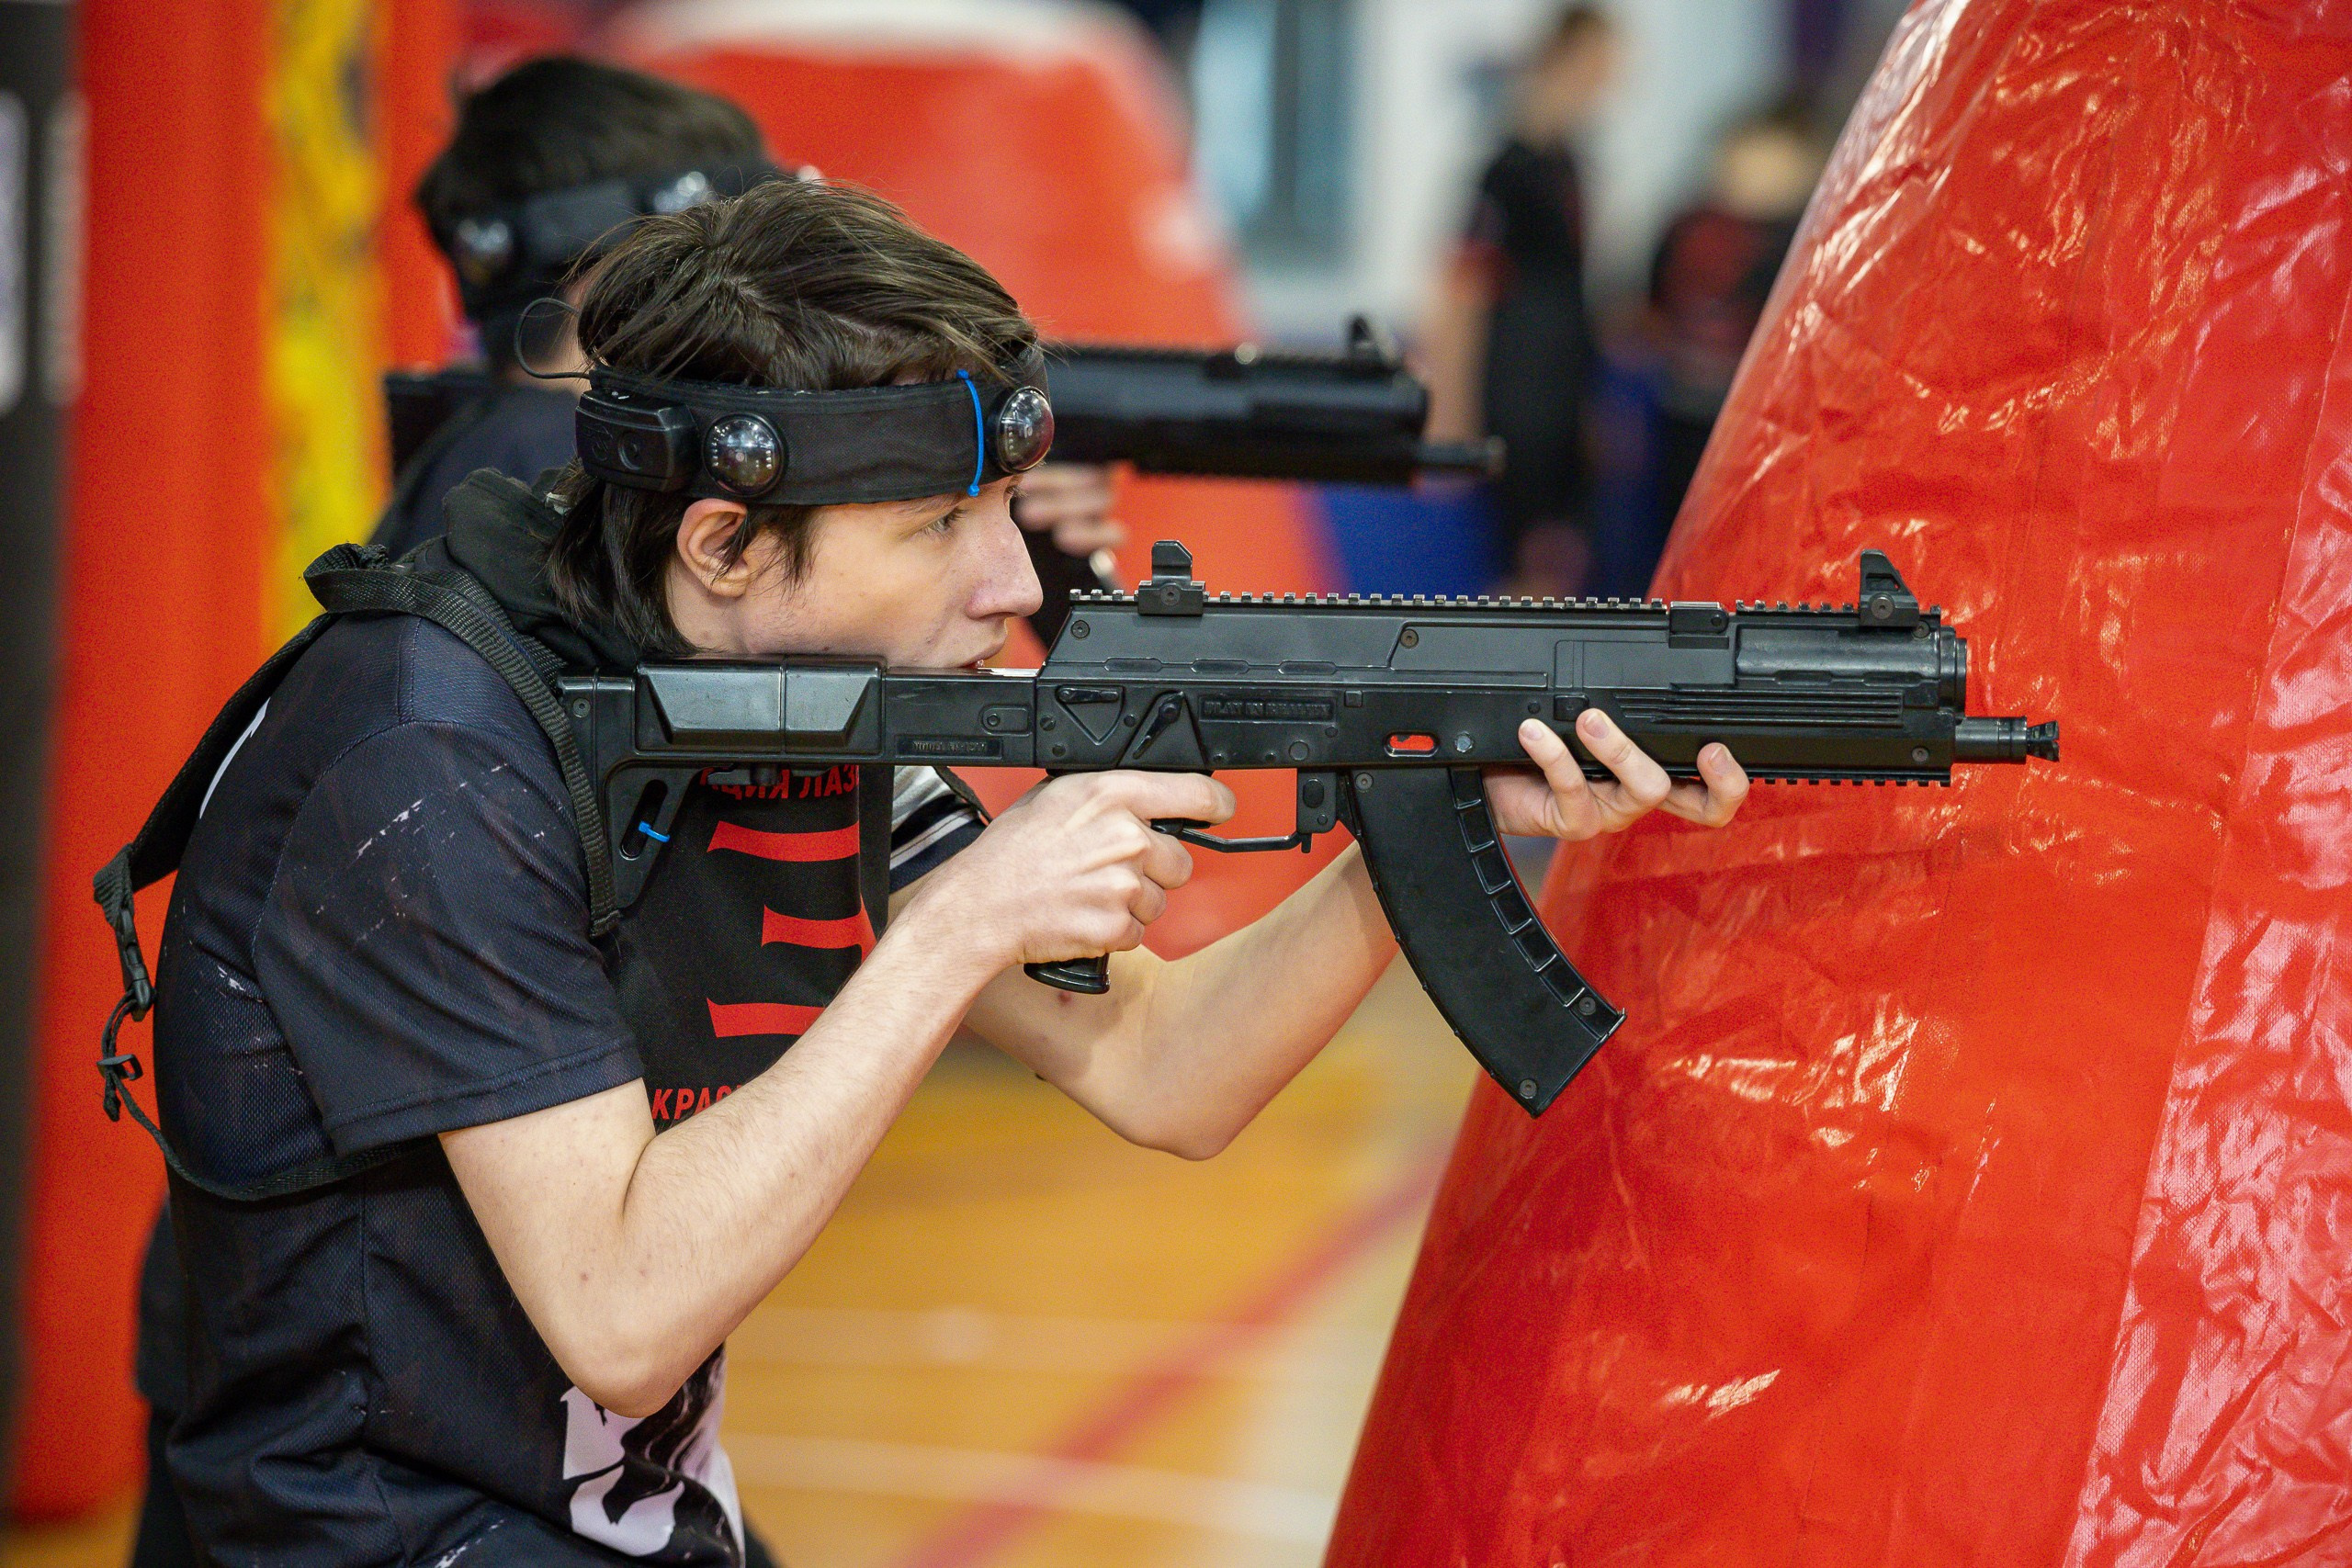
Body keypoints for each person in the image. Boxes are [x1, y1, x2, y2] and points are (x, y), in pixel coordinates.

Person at [138, 175, 1749, 1565]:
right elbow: (623, 1315)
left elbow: (1167, 1067)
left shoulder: (794, 713)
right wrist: (954, 932)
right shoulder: (422, 763)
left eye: (1006, 510)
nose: (1009, 578)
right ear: (720, 541)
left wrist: (1430, 816)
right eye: (937, 525)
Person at [1422, 3, 1622, 597]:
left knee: (1563, 560)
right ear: (1561, 60)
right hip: (1516, 388)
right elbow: (1462, 289)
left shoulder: (1573, 164)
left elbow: (1583, 292)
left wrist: (1591, 400)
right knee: (1519, 563)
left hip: (1563, 385)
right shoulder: (1506, 170)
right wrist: (1449, 409)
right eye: (1598, 66)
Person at [1643, 99, 1826, 541]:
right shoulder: (1687, 227)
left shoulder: (1807, 236)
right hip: (1684, 413)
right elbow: (1652, 312)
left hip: (1768, 425)